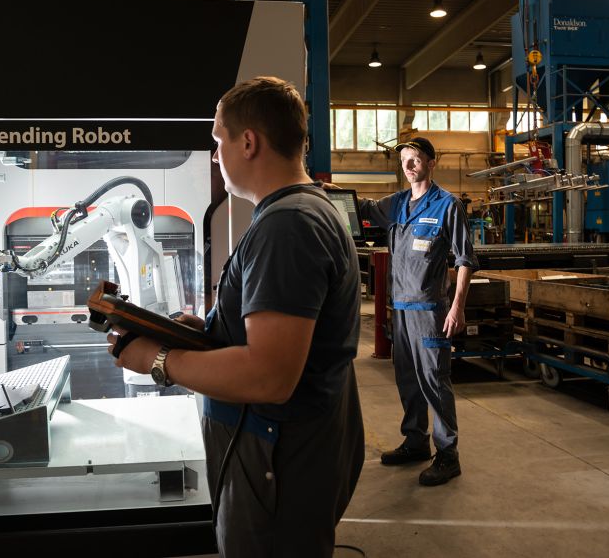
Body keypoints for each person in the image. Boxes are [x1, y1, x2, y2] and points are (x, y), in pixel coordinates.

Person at [108, 76, 365, 557]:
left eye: (217, 140)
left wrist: (158, 360)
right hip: (291, 450)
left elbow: (270, 376)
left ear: (249, 142)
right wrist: (203, 332)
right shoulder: (302, 211)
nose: (213, 155)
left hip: (275, 457)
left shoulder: (287, 226)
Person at [359, 136, 478, 486]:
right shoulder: (396, 203)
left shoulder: (447, 205)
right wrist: (330, 190)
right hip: (401, 308)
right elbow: (363, 208)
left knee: (433, 381)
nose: (409, 166)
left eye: (415, 159)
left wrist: (457, 307)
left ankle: (448, 454)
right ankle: (415, 441)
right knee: (408, 380)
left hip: (430, 310)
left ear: (431, 162)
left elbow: (465, 260)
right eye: (404, 160)